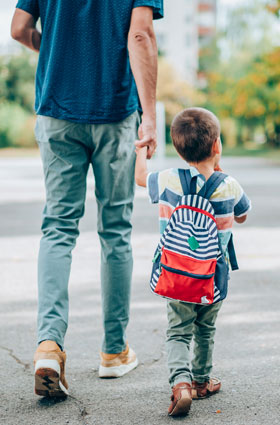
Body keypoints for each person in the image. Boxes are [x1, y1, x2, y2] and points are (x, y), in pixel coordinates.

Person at [11, 0, 163, 397]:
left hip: (57, 109)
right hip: (114, 110)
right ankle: (113, 351)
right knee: (115, 229)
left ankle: (49, 345)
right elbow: (140, 34)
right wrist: (149, 116)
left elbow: (19, 28)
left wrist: (60, 52)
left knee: (58, 226)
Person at [135, 107, 251, 416]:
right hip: (212, 278)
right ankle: (201, 381)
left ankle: (180, 385)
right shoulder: (230, 185)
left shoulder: (169, 180)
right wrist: (219, 170)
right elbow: (241, 215)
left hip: (175, 276)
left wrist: (142, 149)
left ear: (177, 148)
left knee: (178, 331)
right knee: (205, 329)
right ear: (217, 146)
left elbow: (139, 179)